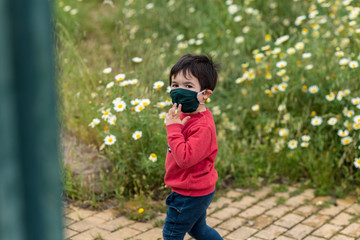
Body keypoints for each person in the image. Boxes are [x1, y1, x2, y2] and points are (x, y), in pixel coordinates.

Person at [163, 54, 223, 240]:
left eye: (188, 86)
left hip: (190, 192)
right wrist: (176, 124)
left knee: (172, 234)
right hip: (194, 187)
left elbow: (184, 159)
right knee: (198, 230)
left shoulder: (202, 126)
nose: (179, 90)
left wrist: (173, 128)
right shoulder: (185, 113)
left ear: (205, 94)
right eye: (175, 85)